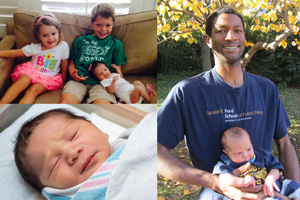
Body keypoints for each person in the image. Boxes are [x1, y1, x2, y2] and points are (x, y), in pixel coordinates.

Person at [157, 6, 299, 199]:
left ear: (244, 38)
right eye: (221, 30)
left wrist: (293, 190)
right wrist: (215, 182)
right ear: (208, 40)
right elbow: (155, 153)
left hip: (267, 192)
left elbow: (284, 145)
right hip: (218, 194)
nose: (231, 36)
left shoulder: (267, 89)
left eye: (237, 30)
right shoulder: (187, 92)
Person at [14, 108, 156, 199]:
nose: (73, 153)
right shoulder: (78, 195)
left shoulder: (133, 138)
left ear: (97, 128)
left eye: (73, 135)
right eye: (55, 163)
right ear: (51, 189)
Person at [60, 3, 127, 104]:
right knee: (66, 104)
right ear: (92, 23)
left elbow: (118, 71)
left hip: (102, 84)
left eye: (108, 25)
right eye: (98, 25)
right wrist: (73, 73)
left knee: (104, 109)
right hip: (77, 82)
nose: (103, 29)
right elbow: (72, 63)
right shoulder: (81, 40)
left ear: (113, 24)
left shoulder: (116, 44)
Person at [213, 127, 300, 199]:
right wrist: (242, 181)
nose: (245, 155)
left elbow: (275, 167)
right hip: (255, 195)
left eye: (248, 149)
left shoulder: (261, 155)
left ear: (251, 144)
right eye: (239, 153)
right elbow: (223, 178)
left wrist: (271, 177)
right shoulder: (227, 162)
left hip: (276, 187)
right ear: (226, 152)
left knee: (294, 186)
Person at [0, 13, 69, 104]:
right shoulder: (35, 48)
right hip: (32, 71)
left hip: (49, 77)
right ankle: (1, 105)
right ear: (38, 36)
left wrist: (64, 80)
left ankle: (19, 115)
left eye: (53, 34)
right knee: (23, 81)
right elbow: (14, 53)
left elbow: (64, 64)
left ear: (59, 32)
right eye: (45, 35)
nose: (50, 38)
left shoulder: (63, 46)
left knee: (33, 90)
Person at [89, 61, 156, 104]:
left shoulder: (113, 75)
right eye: (100, 74)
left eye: (105, 69)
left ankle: (144, 93)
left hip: (132, 90)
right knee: (138, 88)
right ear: (97, 78)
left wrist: (117, 68)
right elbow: (111, 91)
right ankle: (148, 98)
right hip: (130, 97)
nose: (104, 73)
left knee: (136, 82)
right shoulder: (105, 81)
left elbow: (121, 76)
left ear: (108, 68)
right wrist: (113, 81)